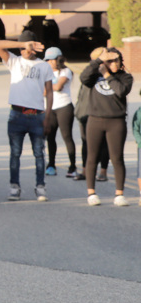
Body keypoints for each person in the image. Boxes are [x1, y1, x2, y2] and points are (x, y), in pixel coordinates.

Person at [0, 32, 54, 202]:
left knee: (39, 153)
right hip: (17, 114)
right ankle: (14, 186)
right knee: (15, 153)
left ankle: (40, 186)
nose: (25, 50)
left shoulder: (44, 66)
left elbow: (49, 92)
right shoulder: (14, 61)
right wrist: (22, 44)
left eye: (28, 46)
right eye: (22, 47)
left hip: (36, 115)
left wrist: (48, 116)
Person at [80, 48, 132, 206]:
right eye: (110, 60)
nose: (114, 63)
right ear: (104, 62)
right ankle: (91, 193)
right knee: (92, 157)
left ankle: (119, 194)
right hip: (95, 120)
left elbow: (121, 91)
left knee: (117, 158)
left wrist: (108, 75)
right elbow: (83, 78)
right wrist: (98, 61)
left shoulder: (125, 77)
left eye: (116, 60)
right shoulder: (94, 76)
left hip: (116, 121)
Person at [74, 47, 110, 183]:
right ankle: (85, 170)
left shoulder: (109, 73)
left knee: (104, 143)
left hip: (103, 113)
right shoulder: (90, 73)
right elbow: (83, 85)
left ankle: (103, 171)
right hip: (85, 112)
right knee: (85, 142)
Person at [44, 47, 76, 178]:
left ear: (59, 59)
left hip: (64, 107)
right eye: (48, 60)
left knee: (66, 137)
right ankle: (51, 165)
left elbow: (58, 86)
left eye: (52, 60)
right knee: (50, 137)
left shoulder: (66, 71)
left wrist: (46, 88)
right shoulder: (45, 73)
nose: (50, 63)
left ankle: (72, 166)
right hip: (50, 108)